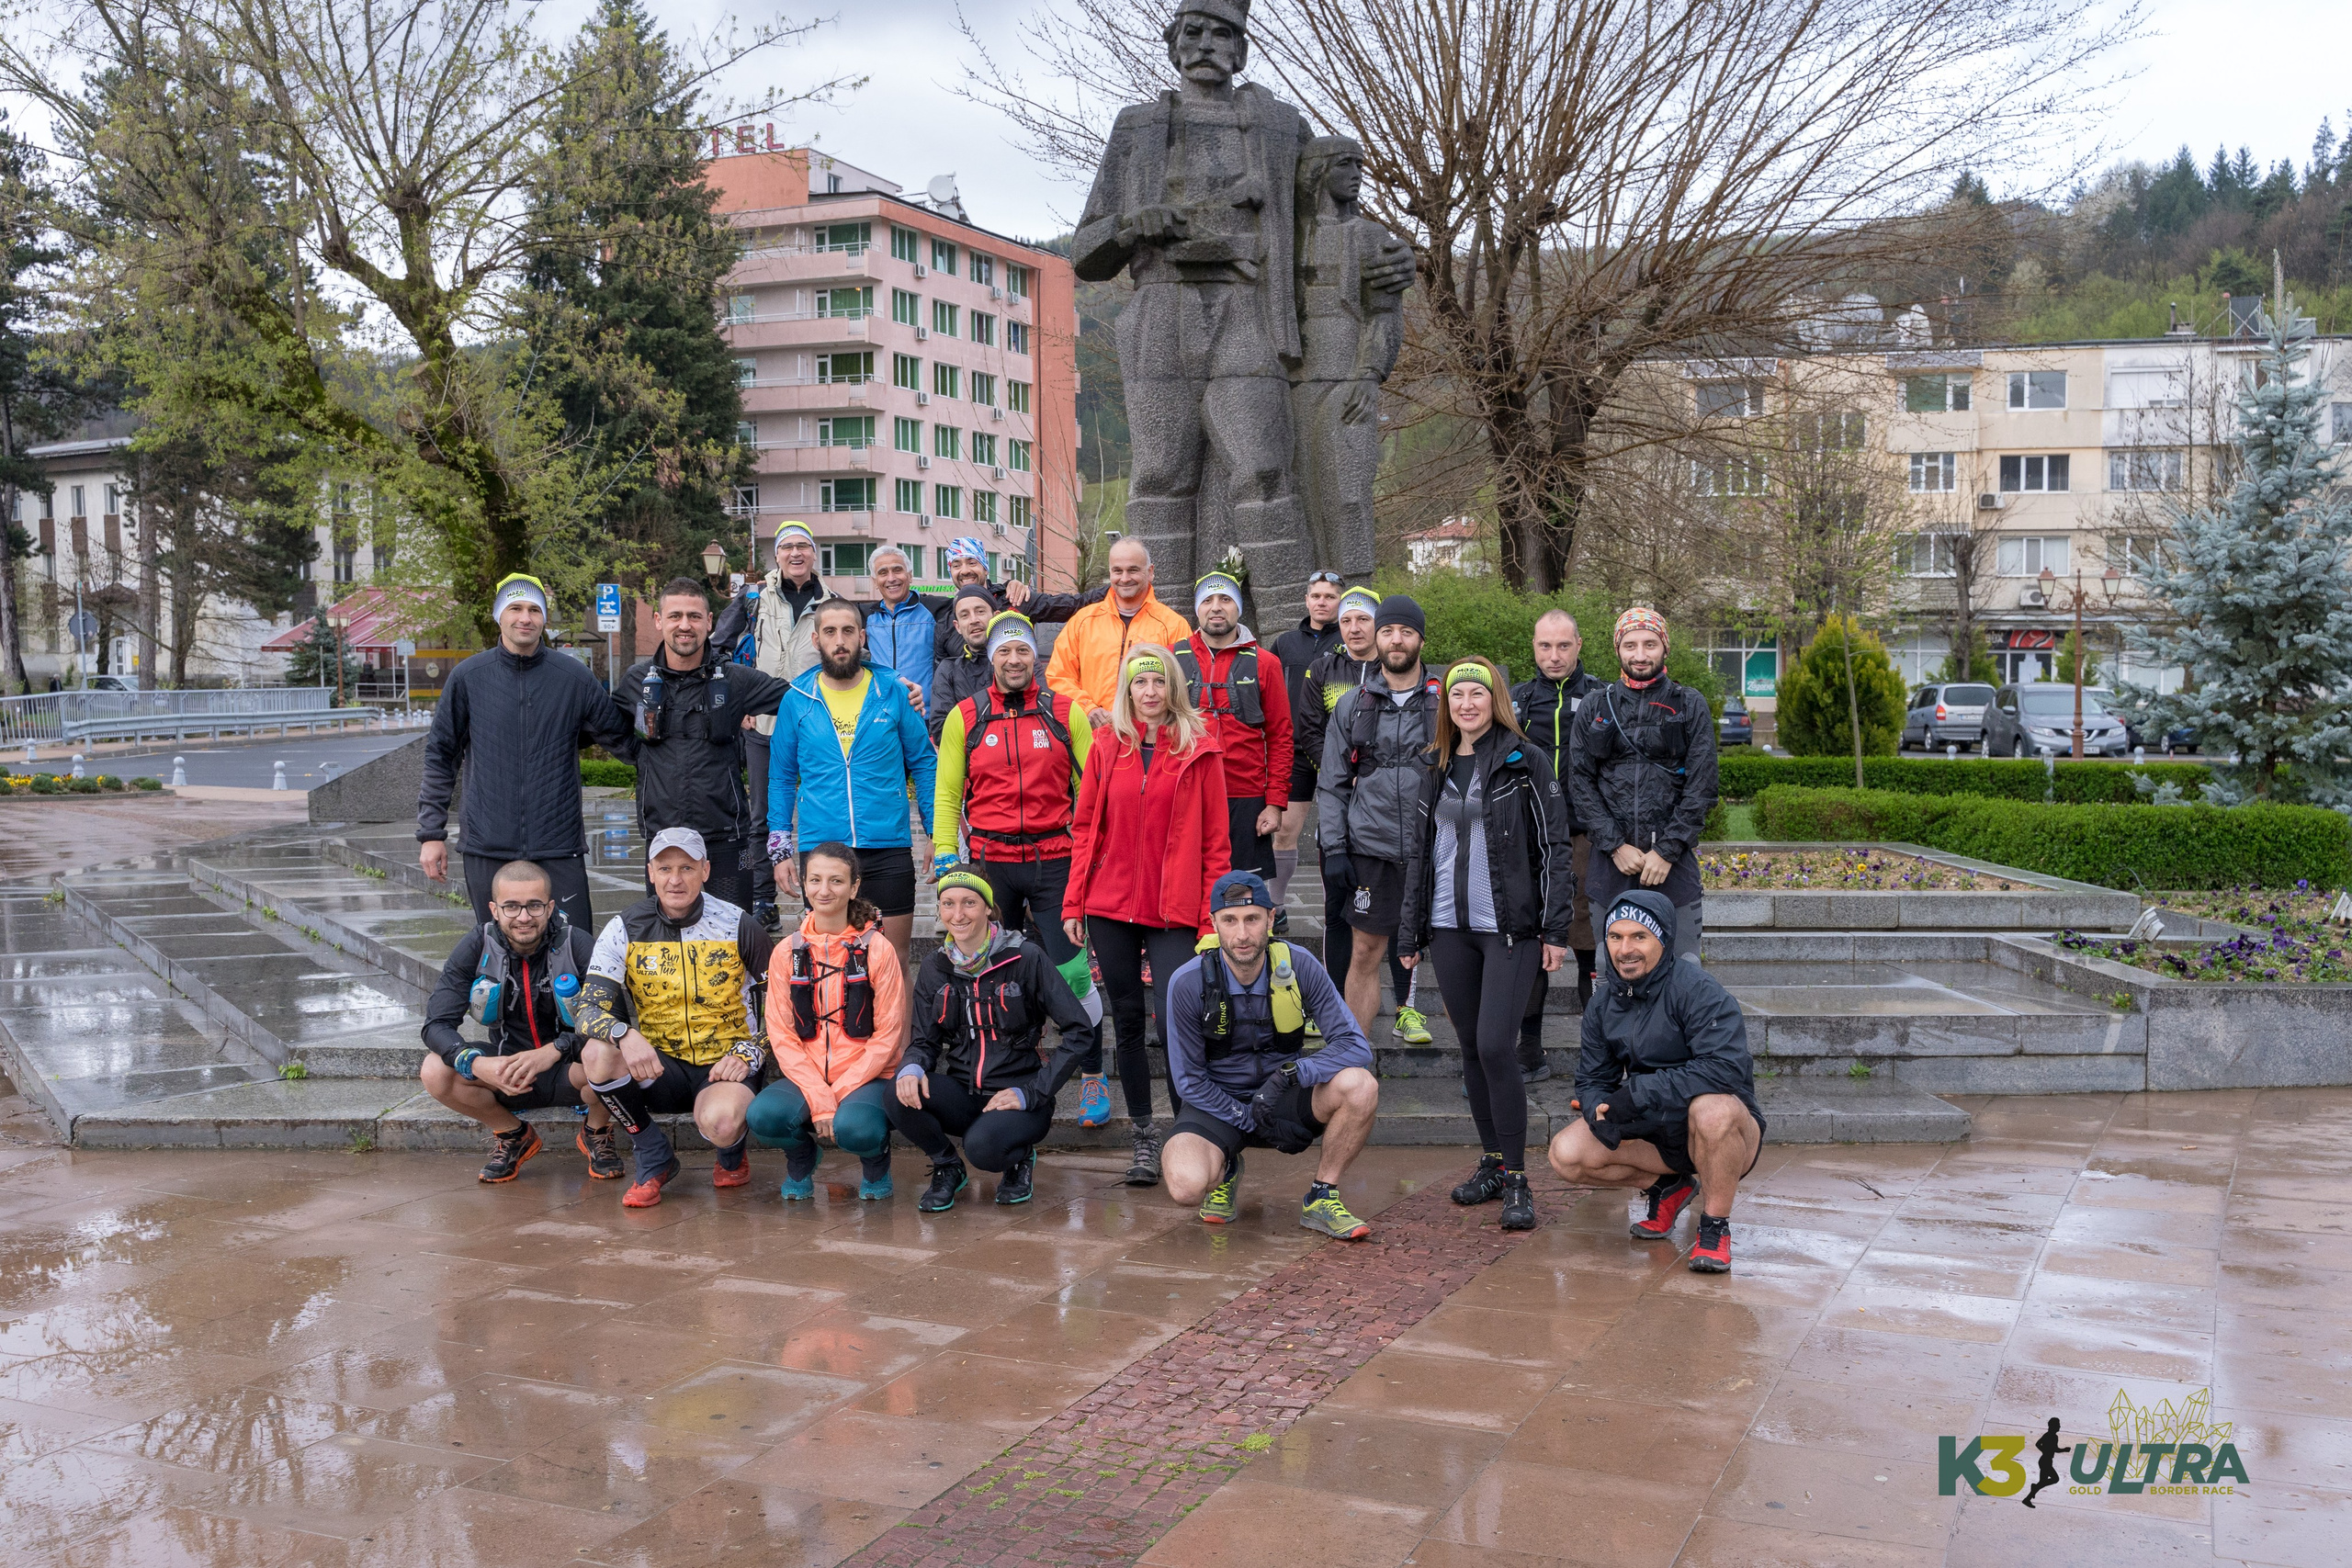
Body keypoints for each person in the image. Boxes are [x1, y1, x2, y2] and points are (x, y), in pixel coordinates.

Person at [1397, 658, 1574, 1234]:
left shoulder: (1526, 762)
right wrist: (1411, 931)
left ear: (1494, 699)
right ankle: (1493, 1163)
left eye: (1477, 693)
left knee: (1498, 1044)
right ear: (1445, 705)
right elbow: (1419, 855)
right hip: (1450, 929)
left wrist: (1554, 929)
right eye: (1456, 696)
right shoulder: (1434, 765)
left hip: (1509, 930)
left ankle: (1520, 1178)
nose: (1466, 703)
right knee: (1471, 1048)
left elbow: (1554, 848)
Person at [930, 611, 1111, 1123]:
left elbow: (1091, 793)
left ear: (1036, 656)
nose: (1014, 659)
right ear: (991, 658)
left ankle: (1093, 1076)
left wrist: (1088, 855)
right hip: (991, 866)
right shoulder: (964, 717)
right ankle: (1009, 1076)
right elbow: (946, 795)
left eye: (1022, 650)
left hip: (1055, 861)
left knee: (1075, 976)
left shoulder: (1065, 711)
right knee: (996, 978)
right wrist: (947, 858)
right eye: (1004, 651)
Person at [1063, 644, 1232, 1186]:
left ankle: (1192, 1132)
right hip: (1111, 906)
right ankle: (1143, 1136)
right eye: (1140, 683)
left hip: (1174, 910)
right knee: (1129, 1022)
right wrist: (1075, 902)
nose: (1151, 692)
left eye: (1159, 682)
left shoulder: (1200, 749)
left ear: (1173, 687)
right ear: (1128, 690)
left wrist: (1212, 921)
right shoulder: (1108, 745)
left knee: (1177, 1022)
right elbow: (1086, 827)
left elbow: (1216, 843)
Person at [1547, 891, 1764, 1273]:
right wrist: (1598, 1107)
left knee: (1711, 1111)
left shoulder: (1698, 991)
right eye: (1615, 937)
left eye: (1638, 937)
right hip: (1657, 1127)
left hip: (1725, 1131)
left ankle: (1714, 1228)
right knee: (1566, 1153)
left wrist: (1639, 1092)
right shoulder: (1603, 1002)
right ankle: (1667, 1185)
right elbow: (1594, 1075)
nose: (1625, 949)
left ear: (1662, 940)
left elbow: (1724, 1069)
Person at [1161, 871, 1381, 1238]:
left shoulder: (1299, 964)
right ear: (1213, 922)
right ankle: (1225, 1167)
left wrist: (1290, 1075)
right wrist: (1249, 1118)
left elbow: (1354, 1045)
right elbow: (1188, 1081)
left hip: (1285, 1096)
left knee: (1361, 1086)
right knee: (1184, 1185)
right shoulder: (1187, 981)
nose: (1242, 934)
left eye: (1252, 919)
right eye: (1230, 920)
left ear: (1271, 917)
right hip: (1218, 1103)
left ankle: (1322, 1195)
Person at [418, 573, 631, 933]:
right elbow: (441, 755)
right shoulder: (469, 677)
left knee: (574, 946)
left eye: (534, 609)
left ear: (544, 618)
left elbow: (624, 740)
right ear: (498, 615)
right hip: (488, 843)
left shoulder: (574, 678)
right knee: (498, 951)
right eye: (515, 608)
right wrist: (431, 834)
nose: (525, 618)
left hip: (557, 844)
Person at [578, 829, 776, 1208]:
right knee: (597, 1054)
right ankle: (653, 1152)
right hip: (660, 1065)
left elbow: (786, 1005)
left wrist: (752, 1051)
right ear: (650, 872)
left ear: (705, 870)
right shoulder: (624, 926)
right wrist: (624, 1033)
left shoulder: (738, 923)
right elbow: (588, 1011)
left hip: (726, 1063)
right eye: (665, 867)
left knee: (721, 1123)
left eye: (686, 867)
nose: (675, 879)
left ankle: (732, 1153)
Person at [893, 870, 1099, 1210]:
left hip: (1021, 1093)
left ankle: (1019, 1160)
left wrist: (1032, 1092)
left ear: (988, 908)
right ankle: (947, 1165)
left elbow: (1080, 1031)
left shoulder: (1025, 957)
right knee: (897, 1092)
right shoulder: (934, 966)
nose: (958, 915)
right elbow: (923, 1041)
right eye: (948, 904)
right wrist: (912, 1066)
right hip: (964, 1092)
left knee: (984, 1150)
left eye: (969, 903)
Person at [417, 859, 616, 1182]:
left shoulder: (577, 944)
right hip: (506, 1071)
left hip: (571, 1069)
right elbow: (435, 1024)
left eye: (534, 906)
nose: (523, 917)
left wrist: (554, 1050)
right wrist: (477, 1065)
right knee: (435, 1070)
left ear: (550, 907)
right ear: (494, 910)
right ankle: (513, 1134)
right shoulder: (476, 945)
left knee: (613, 1054)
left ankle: (597, 1130)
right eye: (512, 907)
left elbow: (615, 1016)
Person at [766, 600, 939, 963]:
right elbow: (781, 776)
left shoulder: (894, 690)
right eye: (830, 631)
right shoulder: (797, 699)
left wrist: (937, 833)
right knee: (829, 961)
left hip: (886, 847)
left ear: (862, 636)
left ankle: (894, 1025)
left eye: (848, 631)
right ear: (816, 639)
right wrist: (779, 848)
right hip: (822, 848)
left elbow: (924, 763)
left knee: (894, 960)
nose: (840, 640)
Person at [615, 578, 793, 909]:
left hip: (724, 838)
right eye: (675, 616)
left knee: (730, 942)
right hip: (662, 839)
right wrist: (641, 756)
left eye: (695, 616)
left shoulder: (735, 679)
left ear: (709, 622)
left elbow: (802, 700)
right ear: (658, 620)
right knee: (668, 942)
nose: (685, 625)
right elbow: (607, 727)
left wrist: (886, 681)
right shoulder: (636, 682)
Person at [746, 842, 906, 1201]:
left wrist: (839, 1092)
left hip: (869, 1074)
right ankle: (802, 1157)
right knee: (764, 1116)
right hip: (808, 1074)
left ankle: (876, 1164)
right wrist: (818, 1094)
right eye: (815, 880)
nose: (824, 890)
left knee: (856, 1127)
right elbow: (782, 1034)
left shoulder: (878, 950)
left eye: (836, 881)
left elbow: (888, 1034)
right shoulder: (786, 951)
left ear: (854, 887)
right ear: (803, 883)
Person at [1567, 608, 1720, 976]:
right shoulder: (1594, 706)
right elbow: (1580, 781)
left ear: (1664, 648)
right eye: (1630, 644)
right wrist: (1615, 845)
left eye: (1649, 644)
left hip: (1673, 866)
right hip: (1611, 864)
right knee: (1611, 970)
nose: (1640, 654)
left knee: (1684, 971)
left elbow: (1702, 785)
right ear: (1617, 649)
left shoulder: (1689, 704)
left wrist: (1667, 851)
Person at [1316, 593, 1442, 1039]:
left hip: (1436, 850)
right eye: (1388, 630)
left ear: (1420, 640)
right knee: (1365, 952)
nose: (1396, 640)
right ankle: (1355, 1058)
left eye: (1406, 631)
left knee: (1452, 953)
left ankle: (1476, 1061)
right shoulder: (1353, 705)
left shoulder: (1446, 701)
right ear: (1377, 636)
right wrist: (1334, 848)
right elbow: (1331, 783)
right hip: (1371, 847)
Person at [714, 523, 845, 931]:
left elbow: (849, 657)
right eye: (786, 546)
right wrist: (739, 701)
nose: (795, 553)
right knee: (764, 817)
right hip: (764, 724)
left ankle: (817, 900)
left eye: (803, 546)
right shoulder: (753, 598)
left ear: (814, 553)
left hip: (817, 725)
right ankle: (762, 900)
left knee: (819, 815)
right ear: (777, 556)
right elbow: (718, 645)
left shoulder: (832, 602)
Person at [1295, 584, 1407, 1022]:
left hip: (1388, 813)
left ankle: (1406, 1008)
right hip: (1341, 801)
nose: (1355, 628)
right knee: (1337, 912)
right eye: (1347, 620)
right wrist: (1344, 768)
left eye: (1364, 619)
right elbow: (1308, 728)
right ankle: (1333, 1006)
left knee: (1398, 916)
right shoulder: (1323, 668)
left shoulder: (1398, 670)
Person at [1511, 609, 1604, 1075]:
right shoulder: (1516, 702)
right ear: (1533, 646)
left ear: (1579, 645)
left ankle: (1598, 1052)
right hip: (1529, 840)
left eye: (1563, 646)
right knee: (1530, 942)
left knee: (1589, 942)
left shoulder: (1605, 698)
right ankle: (1528, 1051)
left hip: (1589, 838)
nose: (1553, 655)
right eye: (1545, 646)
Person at [1175, 571, 1293, 889]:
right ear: (1197, 610)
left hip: (1245, 797)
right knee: (1187, 885)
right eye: (1208, 601)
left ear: (1238, 608)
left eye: (1225, 599)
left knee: (1241, 891)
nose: (1216, 607)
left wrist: (1275, 801)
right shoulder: (1173, 659)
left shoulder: (1265, 663)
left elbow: (1281, 737)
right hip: (1185, 792)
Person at [1044, 536, 1192, 727]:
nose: (1124, 578)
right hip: (1093, 738)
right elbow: (1058, 677)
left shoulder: (1174, 626)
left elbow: (1183, 686)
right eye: (1117, 571)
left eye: (1133, 570)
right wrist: (1088, 709)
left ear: (1150, 572)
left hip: (1151, 741)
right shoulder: (1082, 622)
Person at [1269, 571, 1346, 924]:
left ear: (1340, 601)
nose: (1322, 602)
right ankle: (1277, 905)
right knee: (1284, 832)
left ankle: (1347, 906)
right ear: (1306, 600)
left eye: (1329, 596)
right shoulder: (1285, 643)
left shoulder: (1351, 640)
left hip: (1342, 753)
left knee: (1345, 834)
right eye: (1316, 595)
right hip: (1296, 752)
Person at [925, 536, 1095, 661]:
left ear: (985, 568)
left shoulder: (1015, 598)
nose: (964, 570)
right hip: (971, 707)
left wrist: (1117, 587)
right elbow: (942, 680)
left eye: (972, 562)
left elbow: (1074, 604)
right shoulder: (946, 621)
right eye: (956, 565)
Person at [928, 586, 1001, 741]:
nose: (974, 620)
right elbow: (941, 729)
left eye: (980, 611)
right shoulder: (948, 671)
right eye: (965, 615)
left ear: (996, 617)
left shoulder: (1018, 662)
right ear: (957, 626)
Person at [2022, 1419, 2070, 1508]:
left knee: (2043, 1482)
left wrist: (2045, 1451)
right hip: (2046, 1461)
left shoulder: (2048, 1435)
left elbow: (2039, 1444)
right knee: (2055, 1479)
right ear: (2053, 1426)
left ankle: (2028, 1498)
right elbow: (2053, 1449)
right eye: (2058, 1425)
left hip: (2045, 1460)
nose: (2059, 1427)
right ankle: (2033, 1489)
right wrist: (2064, 1450)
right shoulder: (2052, 1436)